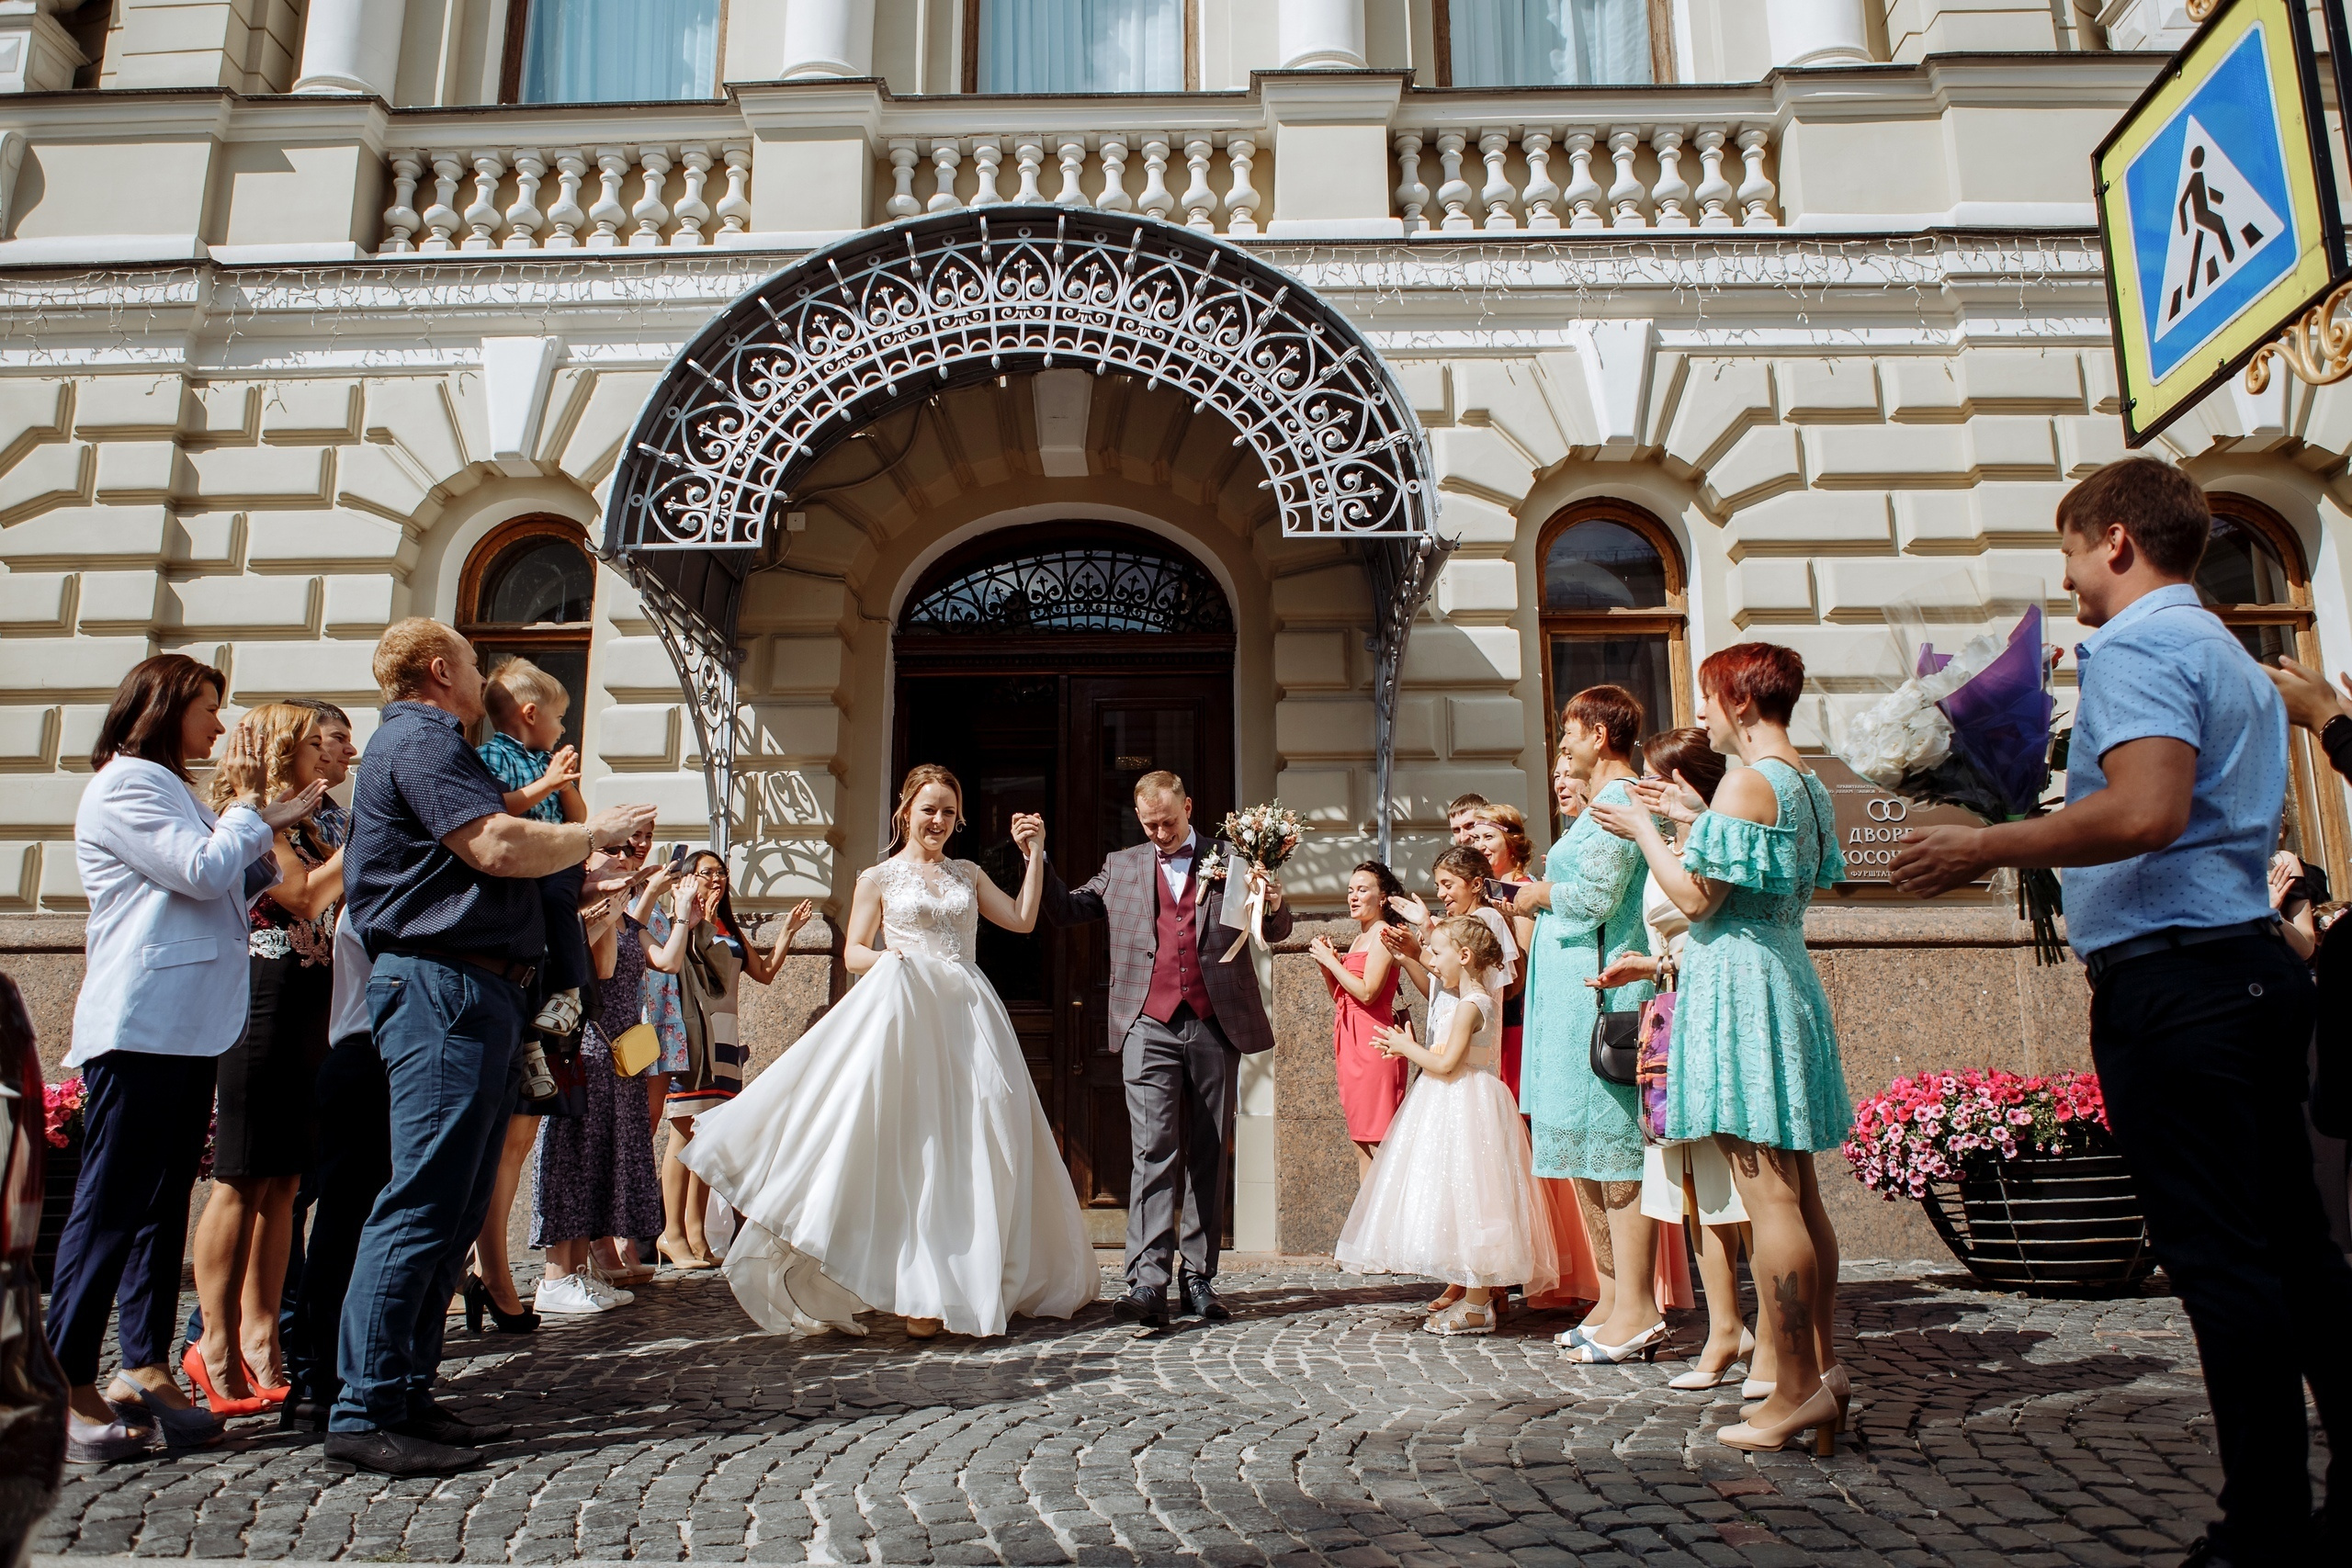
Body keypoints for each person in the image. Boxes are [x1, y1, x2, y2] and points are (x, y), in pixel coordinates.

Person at [1893, 458, 2352, 1566]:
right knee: (2296, 1250)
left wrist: (1985, 841)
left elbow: (2146, 809)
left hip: (2179, 983)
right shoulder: (2229, 657)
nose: (2064, 576)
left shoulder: (2142, 645)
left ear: (2113, 540)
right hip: (2245, 965)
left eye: (2065, 550)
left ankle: (2265, 1527)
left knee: (2223, 1261)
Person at [334, 617, 654, 1478]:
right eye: (475, 664)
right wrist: (595, 830)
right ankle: (364, 1405)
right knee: (424, 1198)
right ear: (440, 670)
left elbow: (500, 857)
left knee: (458, 1195)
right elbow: (496, 844)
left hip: (480, 986)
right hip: (444, 984)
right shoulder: (423, 739)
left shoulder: (439, 742)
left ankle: (403, 1390)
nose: (485, 678)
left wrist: (591, 865)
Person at [679, 765, 1094, 1338]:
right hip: (905, 1014)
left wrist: (1035, 856)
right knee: (908, 1144)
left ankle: (958, 1283)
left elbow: (1023, 922)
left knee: (973, 1139)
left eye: (949, 811)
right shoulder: (877, 877)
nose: (939, 821)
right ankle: (912, 1288)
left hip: (968, 1018)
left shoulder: (968, 874)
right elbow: (852, 952)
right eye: (930, 809)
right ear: (905, 810)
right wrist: (892, 960)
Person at [48, 655, 322, 1464]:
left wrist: (262, 826)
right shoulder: (127, 782)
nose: (218, 723)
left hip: (189, 1026)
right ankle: (57, 1381)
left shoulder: (167, 788)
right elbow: (203, 871)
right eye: (209, 705)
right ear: (165, 705)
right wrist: (246, 810)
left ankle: (141, 1361)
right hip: (142, 1024)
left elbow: (238, 884)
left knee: (161, 1208)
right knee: (109, 1207)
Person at [1596, 672, 1849, 1452]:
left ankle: (1797, 1387)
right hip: (1783, 974)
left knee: (1767, 1196)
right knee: (1799, 1193)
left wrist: (1643, 827)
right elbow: (1780, 876)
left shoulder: (1747, 780)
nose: (1701, 713)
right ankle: (1822, 1368)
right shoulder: (1804, 782)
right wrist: (1697, 817)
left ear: (1740, 701)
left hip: (1740, 992)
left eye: (1708, 695)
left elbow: (1701, 901)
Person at [1042, 770, 1292, 1327]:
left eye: (1169, 822)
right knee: (1154, 1149)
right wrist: (1038, 856)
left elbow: (1273, 931)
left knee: (1209, 1147)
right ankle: (1147, 1281)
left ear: (1189, 806)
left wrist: (1272, 902)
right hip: (1146, 1022)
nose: (1159, 833)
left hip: (1214, 1021)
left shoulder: (1235, 857)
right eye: (1150, 824)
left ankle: (1198, 1277)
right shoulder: (1121, 865)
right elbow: (1066, 910)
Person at [1586, 728, 1762, 1394]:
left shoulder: (1714, 839)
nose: (1648, 793)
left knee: (1724, 1184)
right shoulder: (1681, 840)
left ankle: (1755, 1331)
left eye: (1660, 780)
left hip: (1709, 1014)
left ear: (1691, 780)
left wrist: (1648, 829)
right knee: (1688, 1183)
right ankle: (1726, 1330)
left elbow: (1709, 921)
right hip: (1670, 1015)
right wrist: (1649, 962)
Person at [187, 703, 345, 1419]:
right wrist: (372, 831)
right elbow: (303, 894)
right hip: (263, 999)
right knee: (241, 1178)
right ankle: (212, 1341)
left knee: (284, 1181)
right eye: (314, 742)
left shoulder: (311, 821)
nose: (327, 752)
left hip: (311, 1000)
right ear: (285, 748)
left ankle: (262, 1338)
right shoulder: (247, 817)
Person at [1510, 685, 1664, 1365]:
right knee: (1585, 1158)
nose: (1562, 742)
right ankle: (1610, 1295)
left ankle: (1637, 1304)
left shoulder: (1623, 798)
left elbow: (1596, 898)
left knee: (1615, 1156)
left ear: (1600, 733)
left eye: (1570, 731)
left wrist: (1535, 892)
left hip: (1604, 1003)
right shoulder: (1596, 807)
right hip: (1570, 1001)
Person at [1334, 918, 1557, 1334]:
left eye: (1437, 952)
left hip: (1465, 1104)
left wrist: (1406, 1047)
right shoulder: (1469, 1002)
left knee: (1476, 1200)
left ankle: (1477, 1305)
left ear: (1465, 957)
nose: (1430, 961)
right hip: (1454, 1102)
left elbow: (1446, 1063)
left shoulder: (1472, 1005)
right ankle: (1474, 1299)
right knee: (1459, 1197)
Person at [532, 836, 669, 1315]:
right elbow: (602, 966)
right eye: (612, 861)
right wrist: (607, 907)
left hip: (608, 1050)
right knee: (571, 1156)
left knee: (597, 1160)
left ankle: (576, 1273)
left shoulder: (607, 914)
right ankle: (554, 1277)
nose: (623, 867)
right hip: (580, 1044)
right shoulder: (570, 910)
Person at [646, 851, 803, 1268]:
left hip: (726, 1038)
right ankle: (671, 1233)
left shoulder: (727, 925)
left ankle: (697, 1234)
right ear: (689, 879)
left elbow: (764, 972)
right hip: (693, 1037)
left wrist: (787, 931)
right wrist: (697, 922)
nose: (716, 879)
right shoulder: (679, 921)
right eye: (706, 873)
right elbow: (691, 967)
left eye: (720, 872)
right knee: (684, 1135)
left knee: (710, 1140)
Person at [475, 655, 589, 1104]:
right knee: (529, 950)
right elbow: (499, 808)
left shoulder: (548, 762)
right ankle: (545, 1027)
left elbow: (578, 818)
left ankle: (562, 1004)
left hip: (554, 863)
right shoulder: (488, 757)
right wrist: (547, 783)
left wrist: (562, 785)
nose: (562, 729)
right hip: (522, 865)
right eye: (559, 718)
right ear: (530, 714)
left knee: (558, 917)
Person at [1307, 862, 1408, 1185]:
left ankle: (1392, 1228)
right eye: (1350, 890)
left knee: (1380, 1145)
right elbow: (1342, 996)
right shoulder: (1360, 937)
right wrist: (1331, 967)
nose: (1353, 897)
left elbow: (1367, 992)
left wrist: (1329, 962)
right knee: (1361, 1143)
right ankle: (1368, 1231)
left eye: (1362, 890)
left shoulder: (1382, 933)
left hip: (1374, 1042)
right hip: (1350, 1042)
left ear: (1382, 898)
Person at [1466, 805, 1538, 1100]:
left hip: (1513, 1011)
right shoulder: (1489, 888)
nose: (1479, 846)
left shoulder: (1520, 888)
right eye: (1475, 839)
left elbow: (1522, 958)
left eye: (1487, 837)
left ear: (1510, 842)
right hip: (1490, 1007)